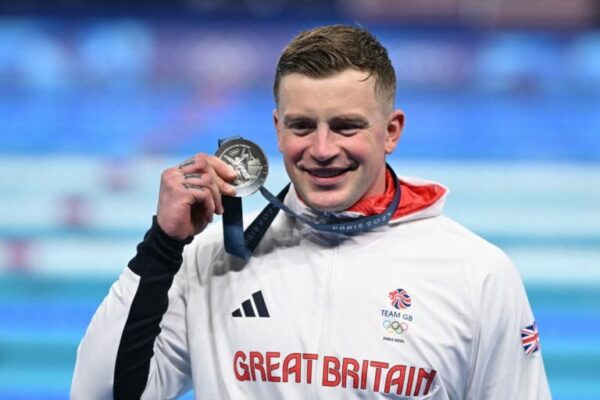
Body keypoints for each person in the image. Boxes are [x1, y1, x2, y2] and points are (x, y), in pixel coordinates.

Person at [71, 25, 551, 399]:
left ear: (392, 131)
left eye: (346, 127)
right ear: (277, 130)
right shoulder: (212, 261)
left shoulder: (477, 274)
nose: (321, 150)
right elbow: (101, 394)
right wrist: (163, 245)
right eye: (302, 126)